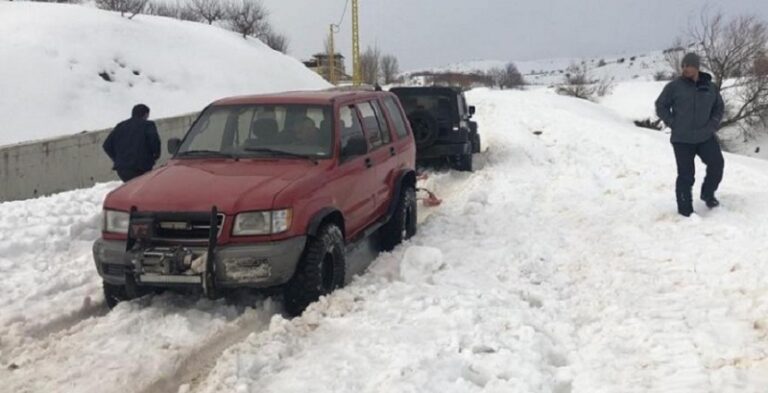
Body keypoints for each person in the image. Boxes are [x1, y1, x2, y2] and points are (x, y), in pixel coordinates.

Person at [655, 53, 725, 217]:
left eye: (689, 65)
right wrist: (672, 122)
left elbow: (719, 107)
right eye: (683, 66)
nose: (685, 69)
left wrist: (713, 124)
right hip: (682, 139)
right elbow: (661, 105)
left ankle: (708, 194)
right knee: (686, 175)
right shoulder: (674, 87)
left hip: (705, 136)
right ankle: (685, 211)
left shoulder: (710, 87)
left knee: (717, 164)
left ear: (697, 67)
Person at [103, 104, 161, 182]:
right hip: (141, 167)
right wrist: (155, 155)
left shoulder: (120, 126)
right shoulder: (148, 125)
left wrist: (117, 159)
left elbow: (106, 145)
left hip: (122, 169)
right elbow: (154, 141)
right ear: (146, 114)